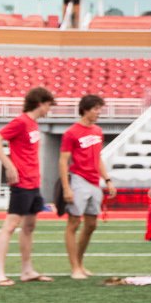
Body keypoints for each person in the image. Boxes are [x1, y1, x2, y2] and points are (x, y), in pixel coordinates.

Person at [0, 85, 55, 286]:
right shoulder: (21, 121)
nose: (49, 110)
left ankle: (27, 270)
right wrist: (9, 166)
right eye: (48, 105)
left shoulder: (34, 124)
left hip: (34, 182)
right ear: (40, 103)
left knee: (29, 226)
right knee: (10, 226)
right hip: (22, 183)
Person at [57, 93, 109, 280]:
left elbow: (99, 158)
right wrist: (66, 188)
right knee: (74, 223)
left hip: (94, 182)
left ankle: (79, 263)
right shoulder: (71, 133)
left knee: (92, 224)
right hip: (78, 180)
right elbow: (63, 161)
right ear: (85, 110)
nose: (98, 113)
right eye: (96, 109)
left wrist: (107, 179)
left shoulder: (97, 131)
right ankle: (74, 268)